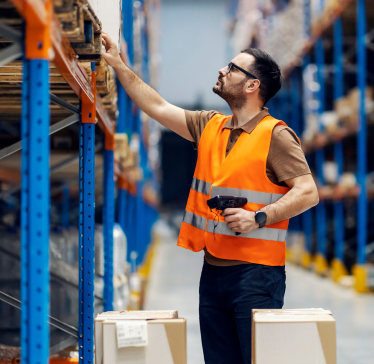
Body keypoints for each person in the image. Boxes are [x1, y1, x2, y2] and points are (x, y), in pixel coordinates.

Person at [101, 32, 319, 364]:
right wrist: (118, 64)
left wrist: (258, 217)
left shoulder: (276, 135)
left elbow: (308, 192)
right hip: (213, 273)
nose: (221, 70)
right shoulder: (210, 126)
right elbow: (156, 106)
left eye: (233, 68)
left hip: (256, 277)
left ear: (251, 86)